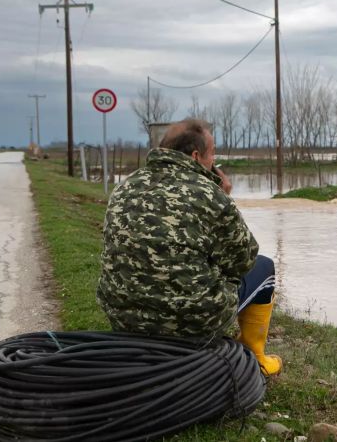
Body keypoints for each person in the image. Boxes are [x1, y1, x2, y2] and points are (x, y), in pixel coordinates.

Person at [96, 118, 282, 375]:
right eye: (212, 154)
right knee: (264, 267)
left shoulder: (125, 186)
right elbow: (243, 260)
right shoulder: (209, 193)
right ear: (196, 156)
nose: (214, 161)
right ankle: (256, 358)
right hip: (190, 324)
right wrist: (224, 199)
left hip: (123, 320)